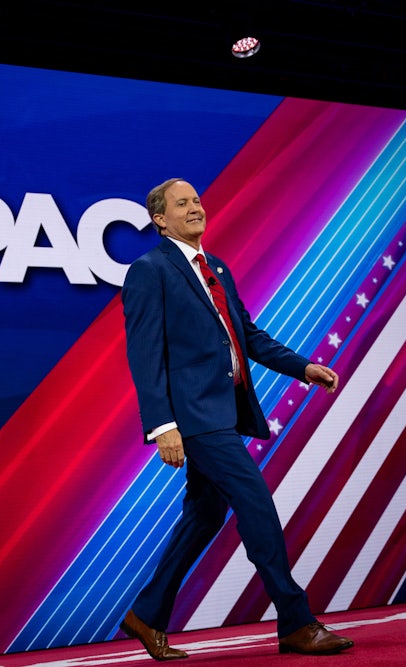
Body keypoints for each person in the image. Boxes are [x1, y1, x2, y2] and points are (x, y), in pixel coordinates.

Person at [118, 178, 354, 658]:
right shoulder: (149, 270)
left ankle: (146, 614)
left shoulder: (216, 267)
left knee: (204, 517)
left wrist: (302, 367)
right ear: (160, 219)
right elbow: (144, 354)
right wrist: (163, 426)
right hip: (195, 417)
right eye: (181, 204)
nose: (194, 208)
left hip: (224, 411)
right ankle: (295, 620)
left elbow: (246, 334)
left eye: (197, 201)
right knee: (256, 505)